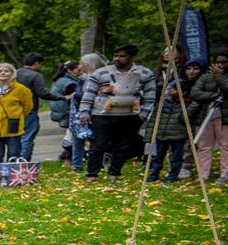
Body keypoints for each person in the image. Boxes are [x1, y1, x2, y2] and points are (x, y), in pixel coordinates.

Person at [78, 45, 156, 183]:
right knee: (98, 145)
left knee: (122, 146)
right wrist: (84, 112)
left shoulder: (144, 73)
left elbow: (150, 94)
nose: (117, 59)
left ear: (133, 57)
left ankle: (114, 173)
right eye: (116, 56)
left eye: (122, 56)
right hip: (101, 114)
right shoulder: (101, 73)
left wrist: (144, 113)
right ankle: (92, 174)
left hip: (130, 115)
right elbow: (89, 93)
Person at [190, 50, 228, 184]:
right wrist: (215, 96)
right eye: (217, 62)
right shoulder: (206, 76)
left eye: (224, 62)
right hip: (204, 115)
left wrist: (220, 76)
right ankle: (203, 174)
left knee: (227, 146)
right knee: (204, 146)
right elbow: (195, 93)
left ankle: (225, 175)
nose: (220, 65)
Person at [143, 60, 198, 183]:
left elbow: (186, 119)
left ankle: (173, 176)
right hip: (161, 134)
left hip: (177, 135)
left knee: (176, 157)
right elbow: (154, 119)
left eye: (174, 89)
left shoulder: (188, 104)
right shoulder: (163, 102)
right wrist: (149, 135)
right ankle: (154, 175)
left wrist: (190, 106)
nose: (169, 91)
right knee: (158, 157)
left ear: (182, 92)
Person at [16, 53, 68, 161]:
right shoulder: (35, 75)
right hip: (30, 109)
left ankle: (14, 159)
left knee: (15, 137)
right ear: (36, 63)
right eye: (40, 64)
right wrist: (63, 97)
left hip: (13, 110)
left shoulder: (14, 73)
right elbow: (43, 93)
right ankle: (24, 162)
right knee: (28, 136)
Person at [68, 53, 107, 172]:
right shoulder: (82, 79)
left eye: (82, 63)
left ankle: (96, 164)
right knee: (77, 138)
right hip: (80, 112)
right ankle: (77, 165)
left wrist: (76, 95)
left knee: (96, 140)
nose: (80, 66)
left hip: (95, 112)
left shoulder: (100, 78)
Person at [49, 60, 82, 166]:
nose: (81, 72)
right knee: (72, 136)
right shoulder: (69, 83)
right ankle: (68, 159)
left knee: (71, 135)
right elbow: (78, 97)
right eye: (78, 70)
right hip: (66, 113)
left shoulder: (61, 79)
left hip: (60, 112)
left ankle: (64, 157)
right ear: (69, 70)